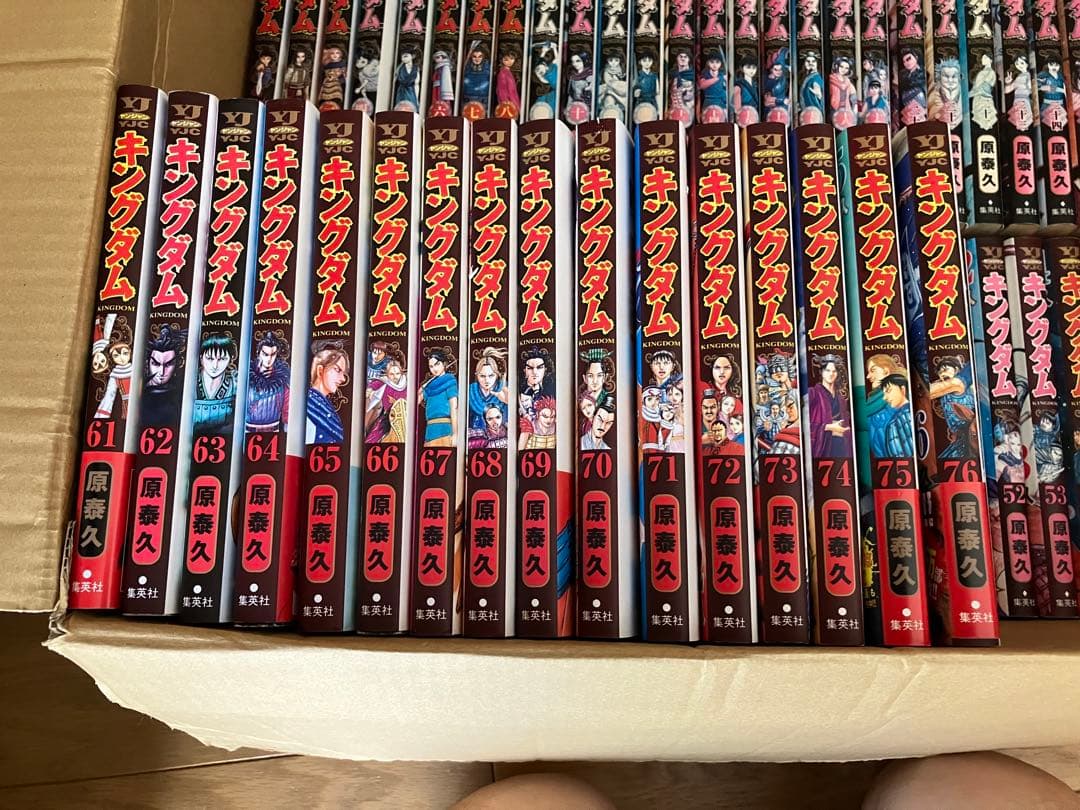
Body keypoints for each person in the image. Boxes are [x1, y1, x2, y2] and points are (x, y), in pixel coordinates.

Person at [141, 324, 186, 428]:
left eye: (168, 364)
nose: (161, 372)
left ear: (177, 364)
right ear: (147, 363)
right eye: (155, 364)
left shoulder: (181, 391)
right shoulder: (139, 391)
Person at [807, 355, 852, 458]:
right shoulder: (812, 393)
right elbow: (803, 423)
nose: (831, 374)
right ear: (821, 372)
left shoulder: (841, 398)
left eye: (834, 371)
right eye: (827, 370)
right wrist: (828, 427)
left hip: (841, 445)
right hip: (823, 446)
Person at [193, 333, 238, 435]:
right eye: (210, 358)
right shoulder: (190, 382)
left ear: (230, 359)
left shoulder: (235, 383)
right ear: (201, 358)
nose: (215, 365)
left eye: (222, 359)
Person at [246, 331, 290, 433]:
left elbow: (287, 411)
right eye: (265, 354)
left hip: (274, 431)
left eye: (273, 354)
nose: (269, 359)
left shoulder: (283, 380)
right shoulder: (247, 377)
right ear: (259, 353)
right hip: (248, 430)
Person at [306, 345, 350, 445]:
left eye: (343, 373)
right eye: (337, 370)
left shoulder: (324, 404)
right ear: (320, 370)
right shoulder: (309, 405)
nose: (343, 379)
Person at [869, 373, 914, 458]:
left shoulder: (906, 415)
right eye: (884, 393)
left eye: (888, 391)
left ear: (902, 389)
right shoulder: (895, 419)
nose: (885, 398)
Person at [419, 349, 458, 447]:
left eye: (437, 364)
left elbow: (454, 408)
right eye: (431, 366)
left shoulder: (450, 382)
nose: (434, 369)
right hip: (430, 430)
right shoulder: (429, 386)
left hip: (445, 429)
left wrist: (455, 433)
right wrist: (421, 389)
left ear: (444, 364)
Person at [366, 355, 407, 443]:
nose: (395, 377)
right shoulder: (383, 382)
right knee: (373, 438)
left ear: (401, 373)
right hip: (387, 417)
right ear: (387, 374)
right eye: (392, 374)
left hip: (404, 417)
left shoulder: (406, 384)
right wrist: (369, 391)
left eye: (397, 374)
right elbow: (372, 386)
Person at [468, 347, 508, 435]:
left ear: (497, 375)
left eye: (491, 375)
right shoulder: (470, 391)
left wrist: (507, 400)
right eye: (482, 376)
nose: (487, 380)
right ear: (476, 375)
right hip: (476, 435)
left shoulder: (504, 388)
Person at [799, 51, 824, 124]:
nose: (811, 63)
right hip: (806, 110)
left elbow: (819, 93)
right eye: (808, 61)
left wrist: (818, 94)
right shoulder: (807, 77)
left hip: (813, 111)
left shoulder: (816, 78)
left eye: (813, 61)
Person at [393, 47, 420, 112]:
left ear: (412, 56)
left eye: (406, 56)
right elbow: (395, 78)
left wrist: (417, 98)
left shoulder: (416, 68)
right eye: (402, 57)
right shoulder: (400, 69)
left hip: (411, 92)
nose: (403, 58)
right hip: (401, 92)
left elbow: (416, 84)